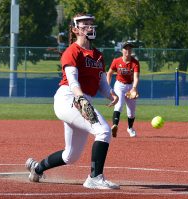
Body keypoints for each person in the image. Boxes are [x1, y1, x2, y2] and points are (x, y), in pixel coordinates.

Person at [25, 13, 120, 190]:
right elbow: (72, 80)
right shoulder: (72, 51)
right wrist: (80, 98)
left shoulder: (98, 55)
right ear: (75, 29)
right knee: (103, 131)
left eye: (91, 24)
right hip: (69, 98)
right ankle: (95, 177)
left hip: (82, 99)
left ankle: (37, 169)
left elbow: (101, 83)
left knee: (71, 156)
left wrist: (111, 94)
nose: (90, 27)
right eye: (85, 25)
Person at [106, 42, 140, 138]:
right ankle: (115, 125)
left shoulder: (135, 62)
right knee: (119, 105)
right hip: (120, 86)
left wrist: (134, 88)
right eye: (126, 48)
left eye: (130, 49)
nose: (128, 50)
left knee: (131, 112)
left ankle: (130, 128)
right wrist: (107, 87)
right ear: (122, 50)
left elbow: (136, 77)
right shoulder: (116, 61)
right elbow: (109, 73)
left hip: (130, 86)